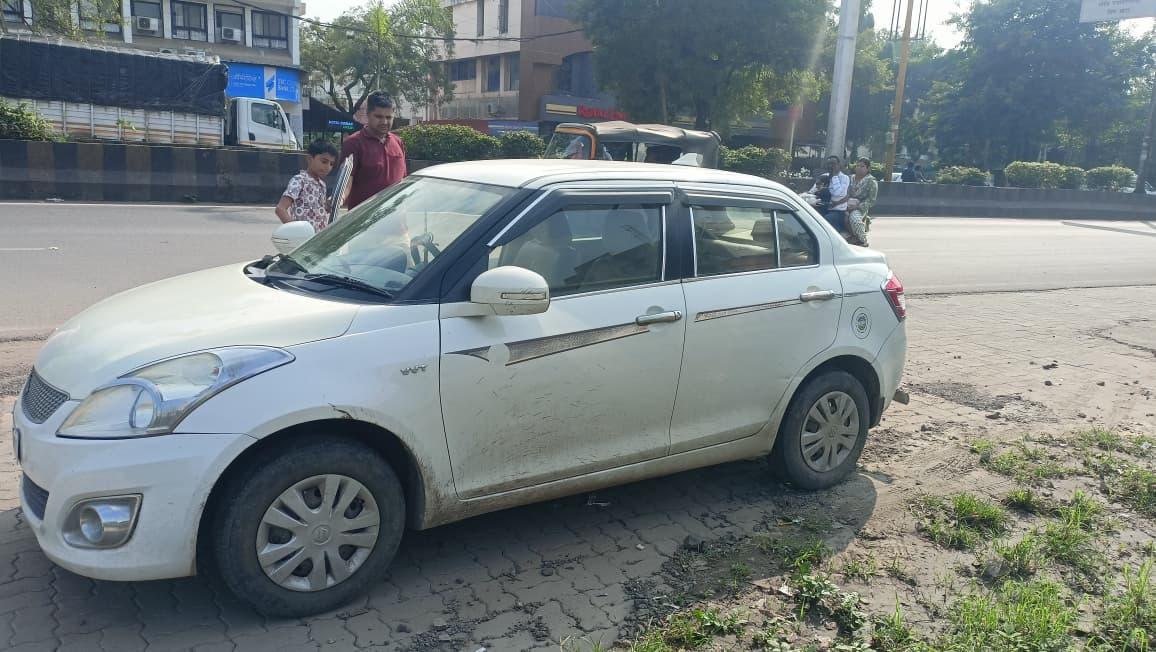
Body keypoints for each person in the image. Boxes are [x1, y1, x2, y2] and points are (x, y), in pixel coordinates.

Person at [339, 92, 407, 209]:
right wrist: (339, 199)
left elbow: (404, 180)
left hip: (396, 218)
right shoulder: (353, 143)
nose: (384, 122)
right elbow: (345, 183)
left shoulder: (398, 142)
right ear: (368, 114)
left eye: (388, 117)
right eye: (379, 117)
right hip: (365, 221)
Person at [275, 139, 337, 233]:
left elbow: (317, 209)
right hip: (303, 240)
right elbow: (280, 209)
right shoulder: (300, 180)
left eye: (331, 164)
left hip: (318, 238)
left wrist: (327, 205)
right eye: (324, 161)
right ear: (309, 159)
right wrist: (295, 232)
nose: (328, 167)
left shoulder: (322, 185)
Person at [808, 156, 850, 234]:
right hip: (823, 207)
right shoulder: (824, 176)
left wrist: (834, 176)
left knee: (824, 221)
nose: (830, 166)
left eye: (833, 164)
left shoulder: (844, 178)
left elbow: (838, 193)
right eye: (828, 164)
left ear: (839, 165)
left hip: (837, 212)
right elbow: (812, 191)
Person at [845, 157, 878, 246]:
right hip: (845, 204)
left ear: (868, 169)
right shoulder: (850, 178)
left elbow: (871, 200)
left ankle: (862, 240)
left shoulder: (871, 181)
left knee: (854, 219)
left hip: (860, 207)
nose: (859, 168)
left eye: (862, 166)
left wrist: (857, 206)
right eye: (857, 166)